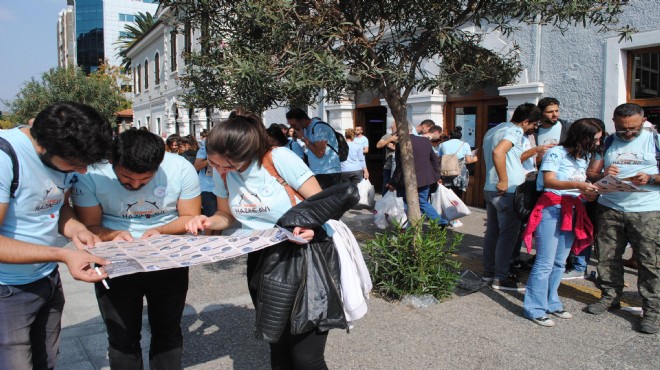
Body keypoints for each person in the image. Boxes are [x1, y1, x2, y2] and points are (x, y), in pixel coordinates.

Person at [184, 113, 335, 369]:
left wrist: (310, 226)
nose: (220, 171)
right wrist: (208, 222)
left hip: (305, 256)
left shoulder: (277, 159)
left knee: (306, 356)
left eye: (228, 166)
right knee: (277, 343)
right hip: (262, 258)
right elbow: (226, 215)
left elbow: (322, 205)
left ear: (249, 153)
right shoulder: (222, 174)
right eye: (214, 164)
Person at [72, 129, 201, 368]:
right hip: (113, 258)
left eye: (145, 180)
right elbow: (89, 225)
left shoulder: (180, 168)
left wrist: (162, 231)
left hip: (167, 257)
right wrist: (113, 235)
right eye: (126, 178)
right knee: (122, 336)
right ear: (113, 161)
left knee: (168, 331)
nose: (135, 185)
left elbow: (190, 216)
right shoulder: (91, 173)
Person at [0, 102, 113, 369]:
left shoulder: (63, 161)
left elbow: (57, 205)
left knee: (46, 360)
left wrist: (78, 230)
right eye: (75, 164)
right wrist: (63, 254)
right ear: (44, 146)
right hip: (7, 290)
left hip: (46, 279)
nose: (82, 171)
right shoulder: (6, 156)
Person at [585, 103, 660, 334]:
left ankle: (653, 311)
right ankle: (609, 296)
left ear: (643, 120)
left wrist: (649, 178)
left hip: (646, 209)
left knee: (650, 262)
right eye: (623, 129)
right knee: (607, 255)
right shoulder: (606, 142)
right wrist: (604, 174)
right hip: (610, 207)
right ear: (614, 122)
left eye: (633, 128)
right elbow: (591, 173)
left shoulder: (655, 140)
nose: (628, 133)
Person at [521, 118, 602, 327]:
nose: (598, 144)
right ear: (583, 137)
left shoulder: (582, 159)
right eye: (595, 139)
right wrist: (579, 185)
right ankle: (535, 308)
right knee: (545, 262)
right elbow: (549, 181)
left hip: (573, 208)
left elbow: (576, 188)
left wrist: (588, 194)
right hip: (551, 209)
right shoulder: (556, 153)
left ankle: (552, 302)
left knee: (560, 262)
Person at [482, 103, 541, 292]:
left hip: (491, 188)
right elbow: (498, 152)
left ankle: (489, 273)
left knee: (492, 234)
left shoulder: (495, 129)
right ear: (525, 121)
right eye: (534, 125)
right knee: (508, 237)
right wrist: (504, 179)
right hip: (507, 189)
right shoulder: (515, 131)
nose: (533, 130)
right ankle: (501, 277)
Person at [387, 126, 445, 227]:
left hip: (409, 180)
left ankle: (409, 228)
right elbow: (434, 159)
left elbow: (400, 166)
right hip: (425, 178)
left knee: (408, 202)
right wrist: (437, 175)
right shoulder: (425, 141)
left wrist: (393, 182)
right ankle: (439, 221)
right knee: (422, 201)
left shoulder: (401, 144)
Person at [286, 108, 341, 189]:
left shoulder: (319, 127)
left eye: (293, 125)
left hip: (328, 172)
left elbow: (320, 153)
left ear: (301, 120)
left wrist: (303, 139)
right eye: (290, 125)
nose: (292, 127)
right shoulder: (305, 129)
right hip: (316, 172)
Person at [376, 122, 398, 195]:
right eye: (391, 127)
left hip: (399, 167)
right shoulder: (387, 136)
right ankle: (384, 205)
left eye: (393, 127)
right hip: (388, 166)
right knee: (386, 186)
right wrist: (390, 139)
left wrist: (394, 147)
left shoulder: (405, 137)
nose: (391, 129)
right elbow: (378, 145)